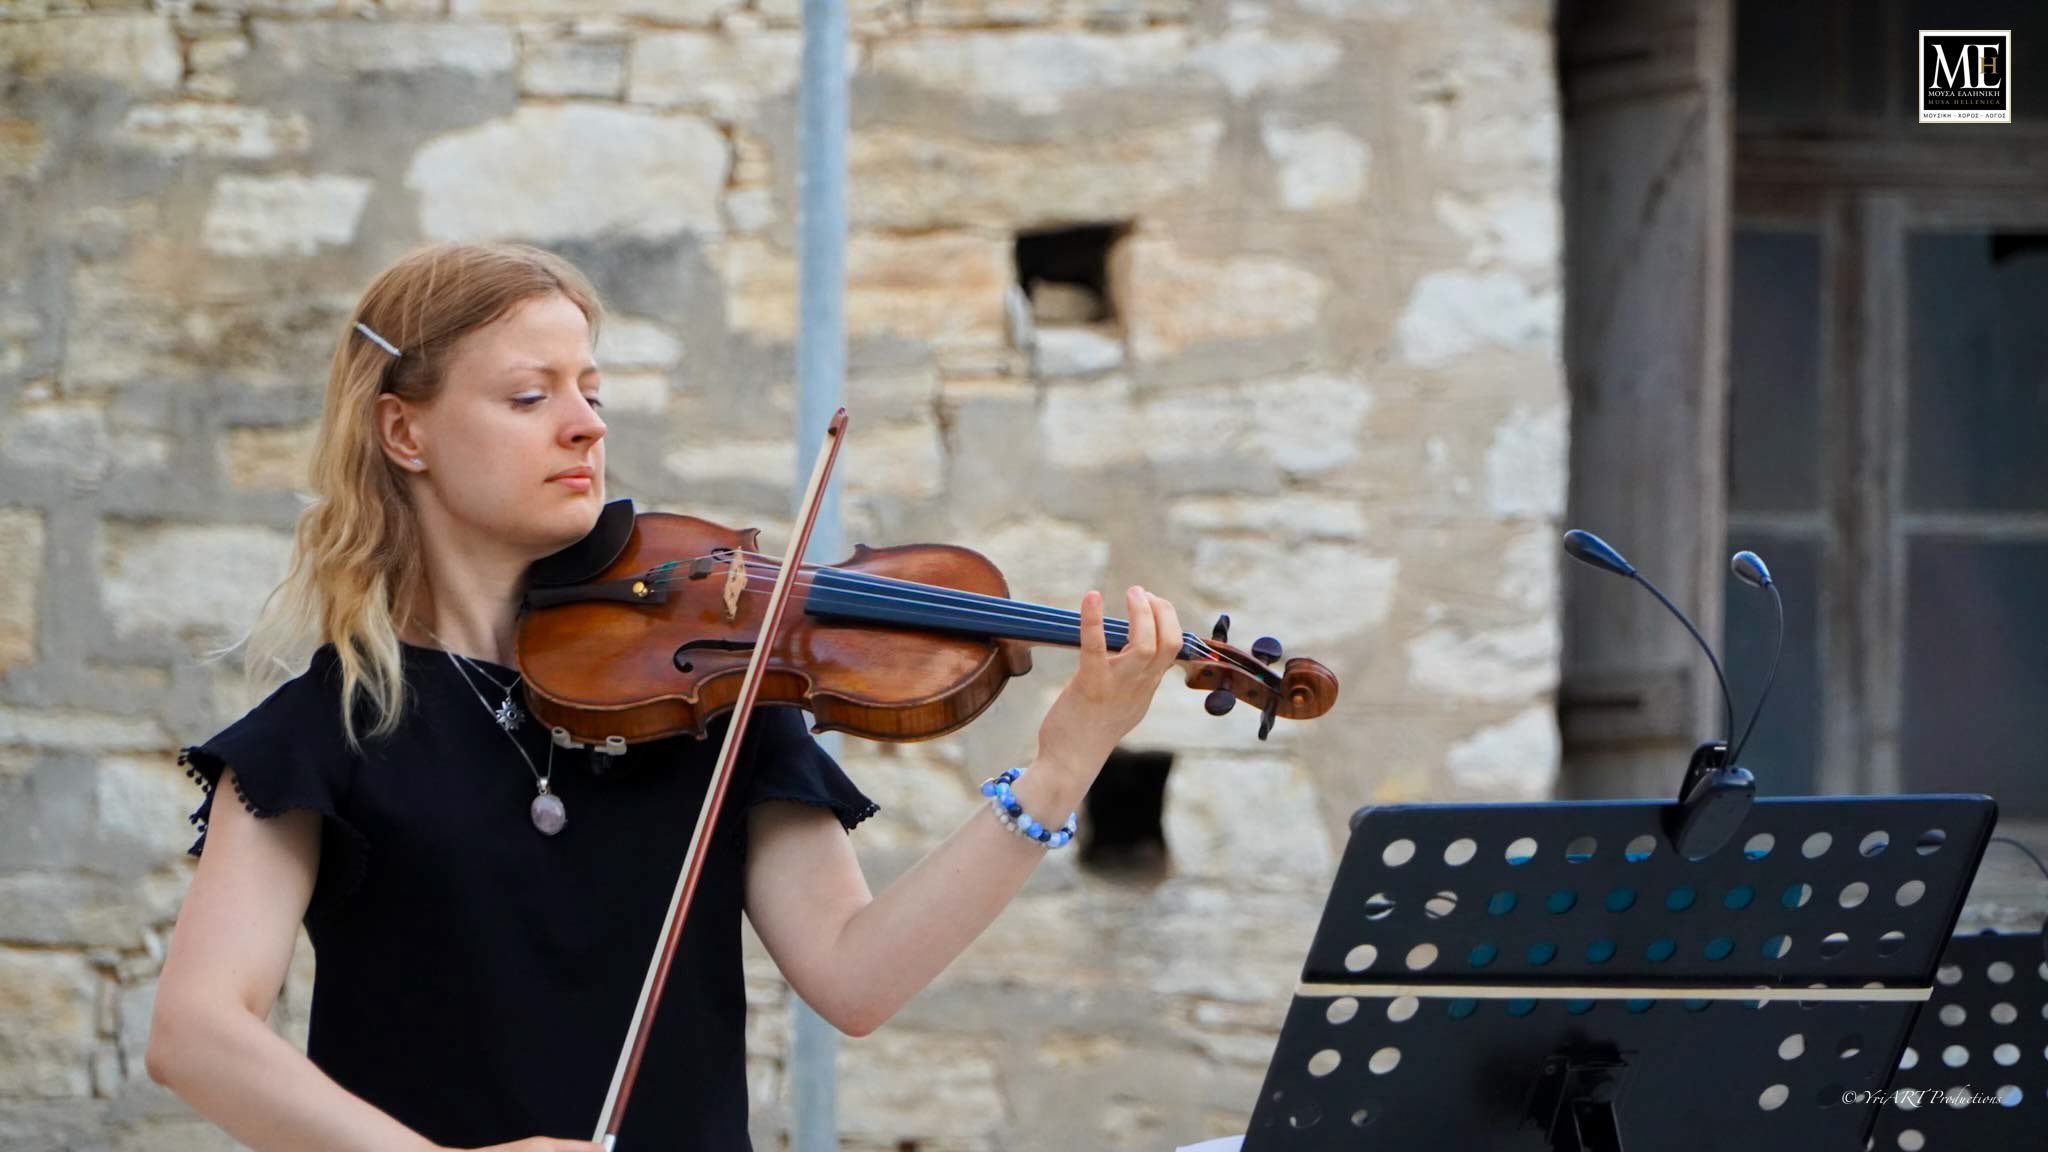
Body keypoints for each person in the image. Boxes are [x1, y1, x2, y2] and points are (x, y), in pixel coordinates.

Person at [143, 241, 1187, 1152]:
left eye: (591, 392)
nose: (584, 427)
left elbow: (856, 977)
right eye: (530, 397)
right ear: (403, 433)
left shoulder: (711, 694)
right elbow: (196, 1033)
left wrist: (1062, 768)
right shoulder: (321, 734)